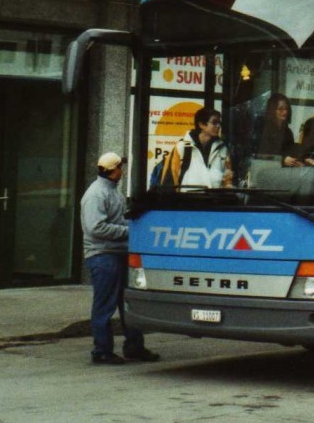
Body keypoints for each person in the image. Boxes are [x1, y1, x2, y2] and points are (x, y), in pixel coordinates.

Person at [81, 151, 159, 365]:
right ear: (110, 170)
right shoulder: (96, 194)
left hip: (117, 254)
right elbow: (96, 228)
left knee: (127, 303)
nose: (121, 171)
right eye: (118, 167)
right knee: (105, 305)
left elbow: (115, 221)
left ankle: (134, 346)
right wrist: (129, 231)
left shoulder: (113, 191)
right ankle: (102, 350)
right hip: (103, 255)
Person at [157, 107, 233, 188]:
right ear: (201, 125)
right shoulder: (182, 147)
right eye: (214, 122)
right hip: (189, 199)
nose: (218, 126)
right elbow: (170, 179)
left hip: (214, 199)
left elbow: (228, 179)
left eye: (219, 123)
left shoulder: (223, 149)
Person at [255, 93, 296, 160]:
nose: (285, 112)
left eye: (286, 109)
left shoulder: (288, 133)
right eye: (280, 109)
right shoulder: (264, 129)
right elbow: (261, 155)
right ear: (272, 110)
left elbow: (291, 153)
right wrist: (282, 160)